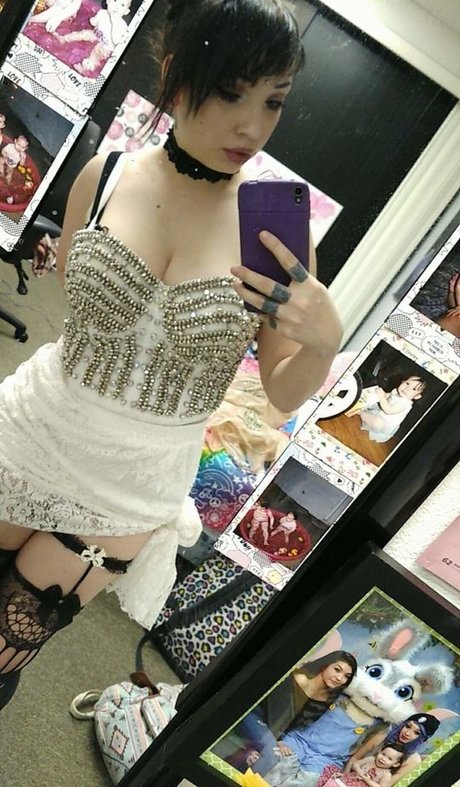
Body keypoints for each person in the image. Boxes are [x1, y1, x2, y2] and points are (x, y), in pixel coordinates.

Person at [0, 0, 342, 709]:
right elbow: (73, 293)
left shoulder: (274, 229)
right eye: (231, 93)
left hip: (130, 483)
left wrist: (325, 340)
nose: (252, 126)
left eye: (273, 101)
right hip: (35, 424)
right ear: (176, 74)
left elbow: (283, 390)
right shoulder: (107, 173)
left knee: (7, 644)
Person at [221, 652, 357, 775]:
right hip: (252, 715)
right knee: (272, 755)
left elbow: (294, 723)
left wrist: (280, 740)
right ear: (324, 666)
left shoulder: (328, 700)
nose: (339, 678)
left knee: (275, 757)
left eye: (347, 676)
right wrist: (276, 741)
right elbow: (275, 712)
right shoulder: (300, 679)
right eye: (337, 669)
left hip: (270, 730)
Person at [343, 713, 440, 787]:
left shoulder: (413, 760)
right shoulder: (382, 736)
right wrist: (344, 779)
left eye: (416, 733)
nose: (407, 733)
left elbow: (387, 785)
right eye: (407, 726)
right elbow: (355, 758)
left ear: (422, 739)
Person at [345, 374, 427, 443]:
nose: (407, 388)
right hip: (379, 412)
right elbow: (387, 395)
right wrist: (380, 394)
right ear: (402, 382)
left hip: (385, 424)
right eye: (407, 383)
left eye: (414, 389)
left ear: (417, 396)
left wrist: (382, 397)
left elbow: (388, 410)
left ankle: (360, 412)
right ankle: (357, 404)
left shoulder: (405, 404)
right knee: (373, 401)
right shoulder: (396, 391)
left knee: (378, 423)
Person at [318, 743, 406, 787]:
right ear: (380, 751)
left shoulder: (386, 774)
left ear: (396, 764)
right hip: (349, 779)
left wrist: (368, 781)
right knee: (333, 780)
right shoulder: (371, 759)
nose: (383, 758)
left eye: (389, 759)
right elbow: (355, 764)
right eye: (383, 754)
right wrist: (360, 771)